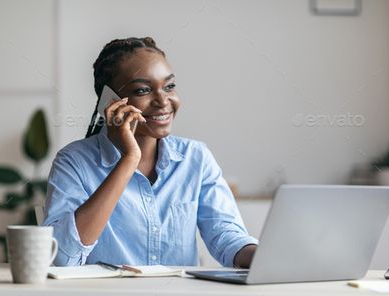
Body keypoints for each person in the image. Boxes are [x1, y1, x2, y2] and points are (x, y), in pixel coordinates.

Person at [43, 37, 258, 267]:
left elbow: (226, 237)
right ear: (110, 101)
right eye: (143, 90)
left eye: (169, 86)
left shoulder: (196, 157)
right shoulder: (74, 162)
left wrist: (264, 256)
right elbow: (62, 258)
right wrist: (129, 159)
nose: (163, 101)